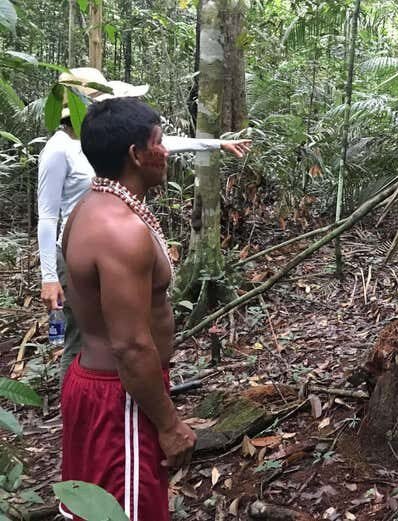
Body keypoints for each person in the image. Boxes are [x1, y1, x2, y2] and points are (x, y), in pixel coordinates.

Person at [37, 67, 251, 380]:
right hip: (77, 254)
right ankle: (77, 405)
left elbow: (159, 145)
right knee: (85, 338)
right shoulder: (58, 149)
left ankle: (125, 396)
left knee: (123, 331)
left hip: (116, 248)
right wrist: (49, 276)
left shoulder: (111, 141)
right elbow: (47, 214)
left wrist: (216, 144)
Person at [60, 97, 195, 521]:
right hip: (119, 398)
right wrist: (170, 426)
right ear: (136, 155)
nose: (167, 151)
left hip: (107, 389)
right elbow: (132, 346)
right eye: (160, 142)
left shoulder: (90, 206)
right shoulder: (120, 230)